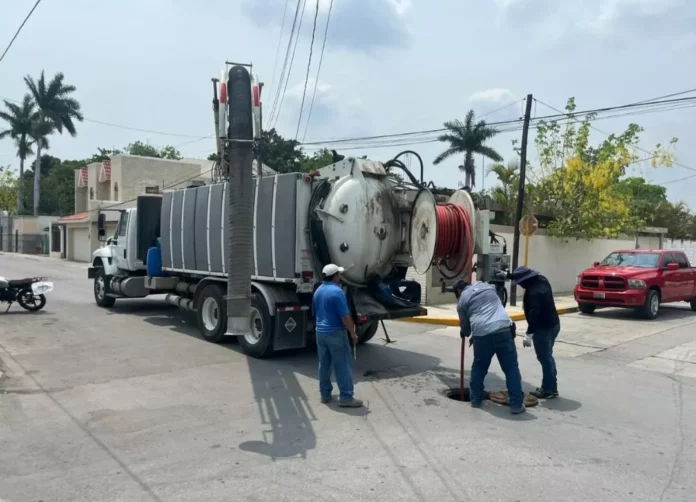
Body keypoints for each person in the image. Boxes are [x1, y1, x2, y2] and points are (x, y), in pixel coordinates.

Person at [454, 279, 526, 414]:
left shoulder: (462, 299)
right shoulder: (486, 287)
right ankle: (516, 405)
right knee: (511, 368)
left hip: (482, 335)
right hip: (504, 329)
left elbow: (465, 326)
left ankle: (476, 401)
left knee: (479, 368)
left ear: (458, 291)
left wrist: (465, 332)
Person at [312, 264, 363, 408]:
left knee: (324, 364)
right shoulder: (337, 291)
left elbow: (315, 312)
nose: (340, 277)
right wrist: (353, 333)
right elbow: (345, 317)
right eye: (339, 275)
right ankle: (346, 397)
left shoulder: (318, 291)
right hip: (335, 333)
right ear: (335, 276)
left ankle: (325, 395)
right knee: (343, 365)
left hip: (320, 333)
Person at [512, 266, 561, 399]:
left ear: (526, 281)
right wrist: (509, 275)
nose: (520, 285)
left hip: (542, 329)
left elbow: (534, 315)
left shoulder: (534, 293)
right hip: (554, 324)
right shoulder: (542, 280)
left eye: (521, 282)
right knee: (548, 357)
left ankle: (548, 390)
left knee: (545, 358)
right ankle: (552, 387)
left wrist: (529, 334)